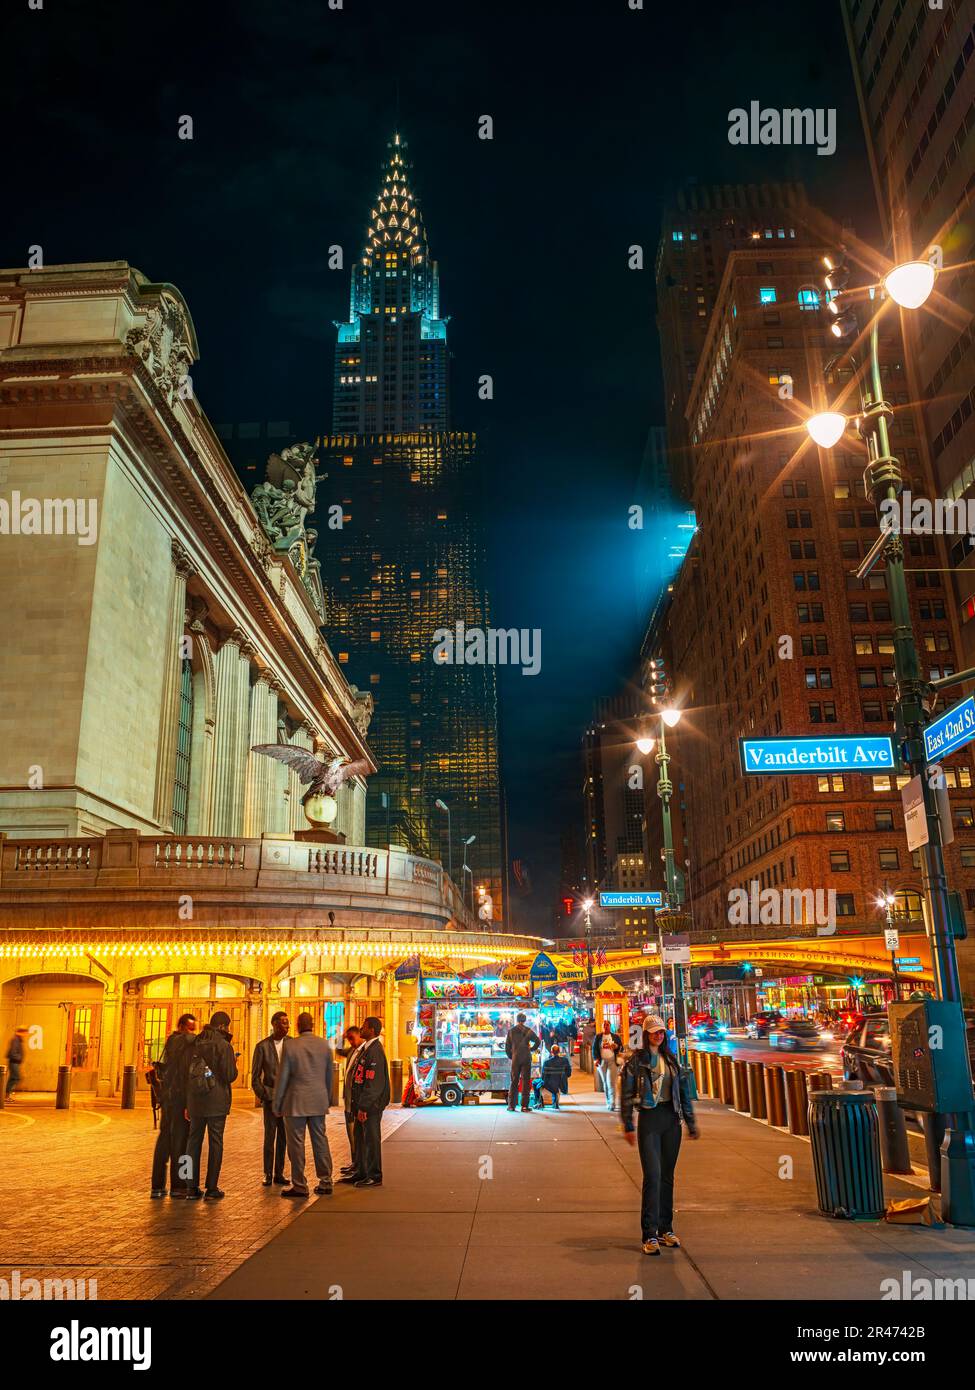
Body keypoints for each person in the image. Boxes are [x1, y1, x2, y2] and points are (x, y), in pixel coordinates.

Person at [619, 1013, 699, 1256]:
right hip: (649, 1121)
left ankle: (666, 1228)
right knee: (652, 1176)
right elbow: (626, 1094)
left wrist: (691, 1123)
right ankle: (649, 1234)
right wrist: (628, 1124)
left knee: (667, 1177)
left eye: (661, 1031)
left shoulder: (671, 1060)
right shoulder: (636, 1062)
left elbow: (683, 1093)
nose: (658, 1035)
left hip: (671, 1120)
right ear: (646, 1034)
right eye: (654, 1031)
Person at [273, 1012, 334, 1198]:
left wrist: (277, 1102)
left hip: (295, 1103)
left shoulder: (290, 1045)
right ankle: (326, 1181)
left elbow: (283, 1076)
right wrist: (328, 1098)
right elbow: (329, 1076)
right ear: (313, 1024)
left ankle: (299, 1185)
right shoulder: (325, 1045)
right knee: (320, 1140)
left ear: (298, 1025)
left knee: (296, 1144)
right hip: (318, 1100)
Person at [185, 1010, 238, 1201]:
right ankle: (212, 1187)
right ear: (222, 1026)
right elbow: (230, 1075)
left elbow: (187, 1073)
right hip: (216, 1100)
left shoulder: (195, 1043)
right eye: (228, 1026)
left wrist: (187, 1102)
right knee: (216, 1142)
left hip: (195, 1100)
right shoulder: (224, 1046)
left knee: (192, 1142)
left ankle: (189, 1186)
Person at [149, 1012, 197, 1198]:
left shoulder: (171, 1042)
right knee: (183, 1143)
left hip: (167, 1097)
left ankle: (157, 1185)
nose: (193, 1032)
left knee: (164, 1141)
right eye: (192, 1028)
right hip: (181, 1099)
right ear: (184, 1027)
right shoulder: (187, 1045)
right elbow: (186, 1076)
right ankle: (181, 1185)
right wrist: (188, 1103)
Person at [340, 1015, 390, 1187]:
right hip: (361, 1104)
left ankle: (374, 1175)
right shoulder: (366, 1048)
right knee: (360, 1139)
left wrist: (364, 1106)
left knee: (371, 1139)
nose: (361, 1028)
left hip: (370, 1107)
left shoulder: (375, 1050)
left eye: (365, 1026)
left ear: (372, 1030)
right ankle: (361, 1171)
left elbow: (373, 1083)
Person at [251, 1011, 290, 1186]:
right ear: (274, 1024)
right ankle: (267, 1173)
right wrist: (266, 1095)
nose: (287, 1026)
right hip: (271, 1100)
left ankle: (279, 1173)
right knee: (270, 1136)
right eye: (283, 1023)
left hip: (288, 1100)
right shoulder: (262, 1047)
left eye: (288, 1023)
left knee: (284, 1138)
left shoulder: (292, 1044)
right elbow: (255, 1078)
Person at [337, 1025, 362, 1177]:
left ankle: (358, 1164)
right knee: (350, 1134)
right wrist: (341, 1036)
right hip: (348, 1102)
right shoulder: (352, 1051)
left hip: (355, 1102)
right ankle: (354, 1163)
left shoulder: (363, 1052)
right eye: (349, 1039)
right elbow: (339, 1050)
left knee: (356, 1135)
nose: (351, 1042)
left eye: (352, 1038)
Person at [505, 1011, 541, 1113]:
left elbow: (507, 1047)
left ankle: (511, 1106)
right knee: (525, 1081)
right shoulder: (528, 1030)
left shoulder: (511, 1031)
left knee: (514, 1081)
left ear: (517, 1020)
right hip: (526, 1058)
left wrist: (511, 1056)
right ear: (524, 1020)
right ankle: (524, 1106)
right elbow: (537, 1041)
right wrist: (531, 1049)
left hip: (516, 1058)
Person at [593, 1020, 623, 1111]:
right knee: (605, 1083)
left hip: (612, 1061)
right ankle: (608, 1100)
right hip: (602, 1062)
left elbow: (621, 1047)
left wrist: (616, 1046)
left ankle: (612, 1103)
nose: (606, 1027)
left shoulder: (615, 1037)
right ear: (602, 1027)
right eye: (604, 1025)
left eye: (607, 1025)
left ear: (610, 1026)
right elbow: (594, 1049)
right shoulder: (598, 1037)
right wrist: (596, 1059)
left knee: (611, 1082)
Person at [533, 1043, 571, 1109]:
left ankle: (539, 1102)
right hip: (561, 1084)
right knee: (554, 1081)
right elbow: (569, 1074)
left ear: (551, 1052)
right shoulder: (565, 1060)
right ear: (559, 1051)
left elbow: (543, 1077)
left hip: (549, 1084)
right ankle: (554, 1101)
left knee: (534, 1082)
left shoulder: (546, 1062)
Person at [5, 1027, 28, 1099]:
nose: (26, 1034)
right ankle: (7, 1094)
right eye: (25, 1032)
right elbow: (12, 1052)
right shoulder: (15, 1040)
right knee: (15, 1078)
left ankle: (8, 1093)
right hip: (14, 1062)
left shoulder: (18, 1040)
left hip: (15, 1062)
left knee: (14, 1077)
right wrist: (19, 1058)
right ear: (20, 1032)